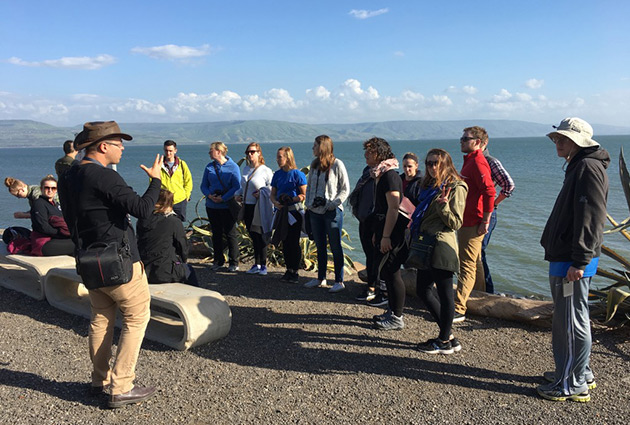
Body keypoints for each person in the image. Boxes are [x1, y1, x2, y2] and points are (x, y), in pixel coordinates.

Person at [58, 120, 161, 408]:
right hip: (120, 262)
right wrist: (156, 181)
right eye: (118, 144)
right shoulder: (104, 176)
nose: (122, 148)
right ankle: (122, 386)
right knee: (137, 318)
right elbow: (143, 210)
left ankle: (99, 380)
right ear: (103, 147)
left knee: (101, 319)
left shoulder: (69, 176)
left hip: (89, 260)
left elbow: (69, 218)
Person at [537, 117, 609, 403]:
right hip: (569, 256)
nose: (558, 142)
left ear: (579, 141)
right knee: (573, 317)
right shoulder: (580, 165)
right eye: (557, 137)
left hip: (572, 259)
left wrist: (579, 262)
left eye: (564, 138)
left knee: (569, 321)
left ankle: (571, 382)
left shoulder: (587, 167)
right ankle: (578, 372)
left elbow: (591, 217)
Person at [412, 149, 467, 354]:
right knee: (422, 290)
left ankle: (444, 340)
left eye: (437, 163)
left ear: (446, 164)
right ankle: (448, 336)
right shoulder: (428, 186)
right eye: (428, 163)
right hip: (426, 243)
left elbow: (456, 222)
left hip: (442, 245)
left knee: (445, 295)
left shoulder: (456, 186)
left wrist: (444, 206)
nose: (432, 167)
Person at [364, 137, 409, 330]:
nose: (366, 155)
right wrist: (378, 232)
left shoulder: (390, 176)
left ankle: (397, 317)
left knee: (392, 271)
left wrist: (386, 236)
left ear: (379, 153)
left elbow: (393, 208)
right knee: (386, 271)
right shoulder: (380, 174)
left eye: (370, 151)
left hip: (394, 232)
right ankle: (392, 310)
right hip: (384, 228)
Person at [453, 126, 496, 322]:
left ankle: (459, 307)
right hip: (468, 219)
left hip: (473, 221)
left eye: (465, 138)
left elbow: (489, 191)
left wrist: (485, 220)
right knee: (475, 262)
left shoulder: (478, 163)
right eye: (462, 138)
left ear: (478, 142)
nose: (461, 141)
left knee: (466, 265)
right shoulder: (470, 161)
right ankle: (480, 297)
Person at [303, 135, 350, 293]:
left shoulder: (337, 164)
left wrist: (332, 204)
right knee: (320, 245)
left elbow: (345, 188)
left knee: (335, 246)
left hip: (332, 212)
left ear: (322, 147)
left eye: (315, 145)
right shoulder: (314, 164)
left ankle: (339, 280)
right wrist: (309, 205)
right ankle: (321, 278)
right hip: (315, 212)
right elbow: (309, 186)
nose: (313, 148)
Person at [475, 137, 515, 294]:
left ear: (483, 143)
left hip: (486, 213)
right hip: (475, 212)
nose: (464, 141)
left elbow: (509, 185)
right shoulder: (473, 161)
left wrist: (494, 203)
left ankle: (487, 291)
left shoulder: (490, 162)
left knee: (479, 251)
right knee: (474, 253)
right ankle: (479, 289)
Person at [137, 189, 198, 286]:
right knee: (189, 271)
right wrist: (183, 259)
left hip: (144, 268)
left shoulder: (142, 219)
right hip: (165, 270)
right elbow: (182, 246)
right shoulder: (173, 221)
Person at [200, 142, 242, 272]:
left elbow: (237, 186)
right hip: (212, 206)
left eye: (211, 150)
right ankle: (218, 260)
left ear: (218, 152)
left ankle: (233, 262)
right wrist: (210, 196)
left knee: (230, 234)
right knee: (216, 234)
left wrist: (223, 198)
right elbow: (203, 185)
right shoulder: (209, 167)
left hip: (227, 206)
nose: (209, 153)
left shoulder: (233, 167)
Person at [234, 142, 274, 276]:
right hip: (247, 206)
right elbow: (244, 186)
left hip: (259, 206)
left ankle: (263, 265)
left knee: (260, 235)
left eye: (252, 152)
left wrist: (262, 193)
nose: (249, 154)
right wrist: (237, 194)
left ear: (259, 153)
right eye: (247, 152)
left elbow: (272, 188)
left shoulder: (265, 170)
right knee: (252, 235)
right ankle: (257, 263)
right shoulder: (246, 169)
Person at [270, 146, 307, 284]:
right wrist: (276, 203)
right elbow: (272, 194)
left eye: (280, 157)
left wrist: (293, 199)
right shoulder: (277, 175)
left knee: (293, 242)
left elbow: (304, 194)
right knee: (284, 241)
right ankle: (288, 269)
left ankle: (295, 271)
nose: (278, 159)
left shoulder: (297, 174)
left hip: (294, 212)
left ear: (288, 157)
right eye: (277, 157)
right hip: (282, 212)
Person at [349, 164, 379, 303]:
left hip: (375, 221)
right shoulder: (366, 172)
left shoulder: (385, 175)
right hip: (364, 220)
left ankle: (375, 288)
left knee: (375, 256)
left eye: (370, 151)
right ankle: (371, 285)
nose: (366, 155)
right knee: (369, 255)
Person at [29, 175, 75, 256]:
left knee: (81, 240)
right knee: (81, 243)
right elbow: (43, 227)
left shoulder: (55, 205)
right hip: (43, 243)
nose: (50, 190)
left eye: (53, 188)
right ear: (41, 189)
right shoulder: (39, 204)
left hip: (54, 239)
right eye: (47, 188)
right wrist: (62, 233)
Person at [160, 140, 193, 222]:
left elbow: (188, 181)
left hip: (180, 200)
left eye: (170, 151)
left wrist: (186, 196)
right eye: (166, 150)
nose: (168, 153)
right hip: (165, 201)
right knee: (164, 223)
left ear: (175, 150)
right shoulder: (159, 165)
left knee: (178, 224)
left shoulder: (182, 164)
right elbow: (153, 182)